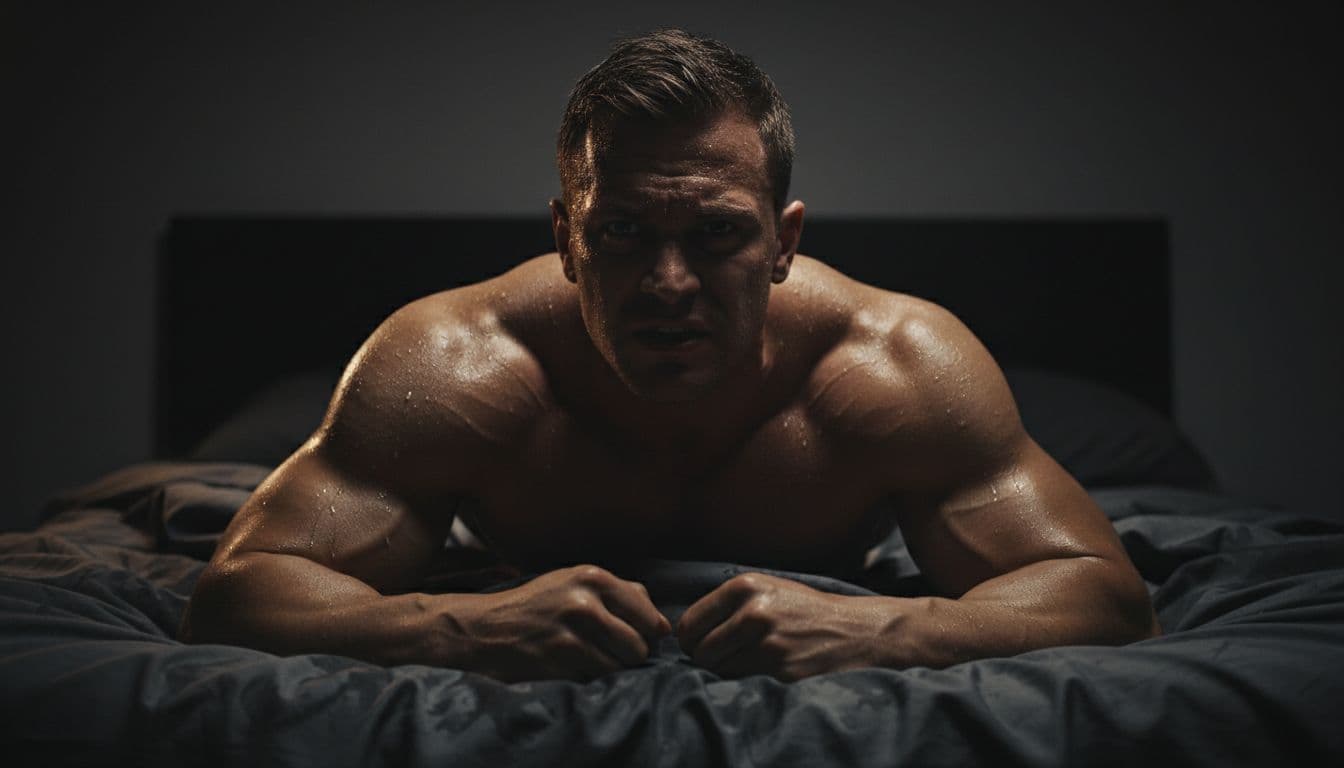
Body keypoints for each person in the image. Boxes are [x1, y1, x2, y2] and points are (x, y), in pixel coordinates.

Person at [180, 29, 1159, 682]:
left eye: (718, 234)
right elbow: (240, 593)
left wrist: (889, 628)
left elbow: (1105, 595)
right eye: (623, 234)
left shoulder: (895, 365)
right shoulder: (457, 364)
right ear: (566, 239)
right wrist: (458, 627)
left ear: (784, 242)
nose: (670, 283)